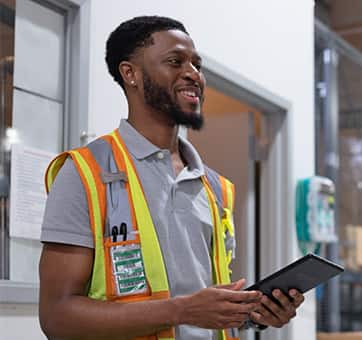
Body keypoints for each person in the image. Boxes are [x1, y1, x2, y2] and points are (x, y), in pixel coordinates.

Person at [37, 16, 304, 340]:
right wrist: (181, 310)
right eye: (175, 61)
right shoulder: (83, 173)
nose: (193, 74)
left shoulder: (216, 188)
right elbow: (57, 317)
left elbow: (203, 307)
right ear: (130, 73)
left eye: (196, 64)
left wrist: (252, 313)